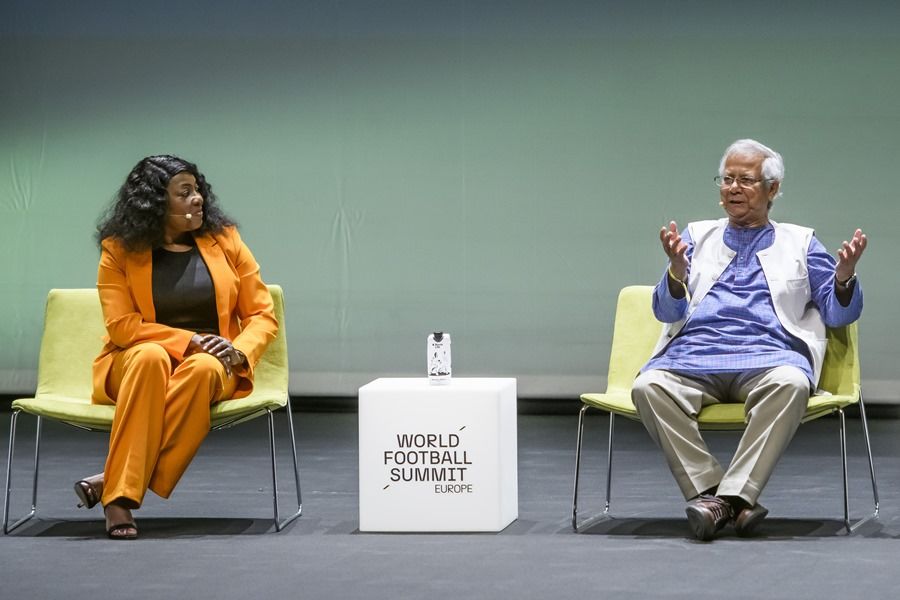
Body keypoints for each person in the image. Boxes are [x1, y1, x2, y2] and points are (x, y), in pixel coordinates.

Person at [632, 139, 866, 541]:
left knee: (792, 383)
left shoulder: (801, 242)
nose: (733, 188)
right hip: (693, 361)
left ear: (772, 190)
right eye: (727, 179)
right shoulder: (695, 236)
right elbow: (667, 313)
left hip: (768, 362)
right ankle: (724, 497)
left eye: (745, 180)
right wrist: (674, 271)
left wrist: (842, 277)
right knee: (648, 386)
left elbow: (837, 313)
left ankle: (721, 501)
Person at [74, 155, 278, 539]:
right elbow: (121, 327)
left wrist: (239, 352)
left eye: (197, 189)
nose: (198, 198)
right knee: (151, 357)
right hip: (135, 360)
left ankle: (116, 490)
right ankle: (118, 490)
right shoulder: (118, 250)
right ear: (155, 203)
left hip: (212, 364)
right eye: (185, 193)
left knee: (201, 367)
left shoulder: (226, 239)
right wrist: (188, 340)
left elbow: (262, 314)